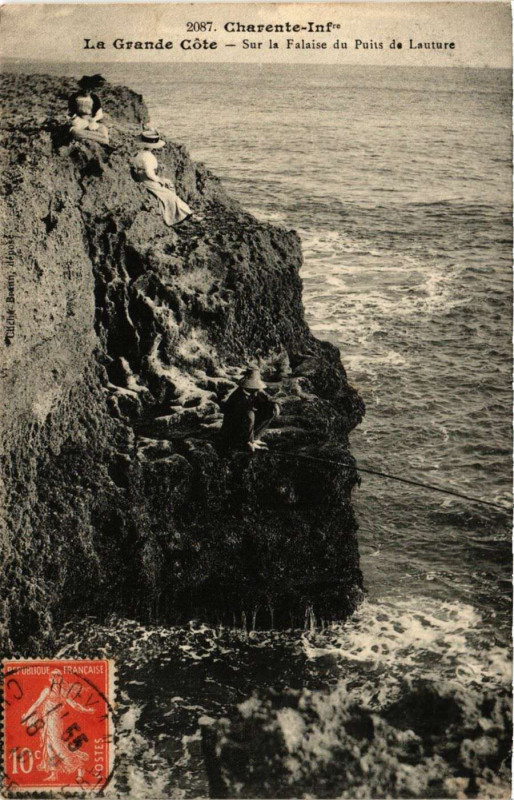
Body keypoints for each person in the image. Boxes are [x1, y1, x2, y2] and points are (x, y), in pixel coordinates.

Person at [20, 669, 94, 781]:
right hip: (45, 720)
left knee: (57, 745)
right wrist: (27, 716)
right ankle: (54, 774)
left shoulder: (64, 692)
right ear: (50, 678)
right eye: (53, 676)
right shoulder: (46, 691)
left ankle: (79, 766)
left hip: (56, 721)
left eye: (58, 676)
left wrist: (87, 710)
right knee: (48, 745)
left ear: (61, 678)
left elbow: (74, 705)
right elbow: (36, 704)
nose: (56, 678)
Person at [131, 129, 193, 227]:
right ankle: (179, 215)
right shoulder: (147, 156)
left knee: (169, 185)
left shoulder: (140, 153)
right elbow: (149, 174)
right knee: (170, 195)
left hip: (142, 178)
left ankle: (178, 214)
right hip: (148, 180)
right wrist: (159, 180)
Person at [220, 368, 280, 452]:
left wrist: (274, 403)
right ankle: (248, 441)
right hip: (233, 430)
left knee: (270, 409)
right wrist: (249, 441)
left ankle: (255, 437)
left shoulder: (253, 391)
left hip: (246, 426)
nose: (257, 389)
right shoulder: (239, 398)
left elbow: (266, 397)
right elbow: (248, 417)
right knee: (250, 414)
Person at [68, 75, 110, 145]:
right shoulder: (74, 97)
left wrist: (94, 119)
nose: (87, 91)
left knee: (103, 128)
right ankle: (101, 138)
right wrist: (75, 119)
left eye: (89, 89)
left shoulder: (94, 98)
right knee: (74, 131)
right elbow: (70, 112)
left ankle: (93, 136)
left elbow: (99, 114)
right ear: (81, 87)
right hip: (79, 121)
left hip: (91, 121)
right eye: (85, 88)